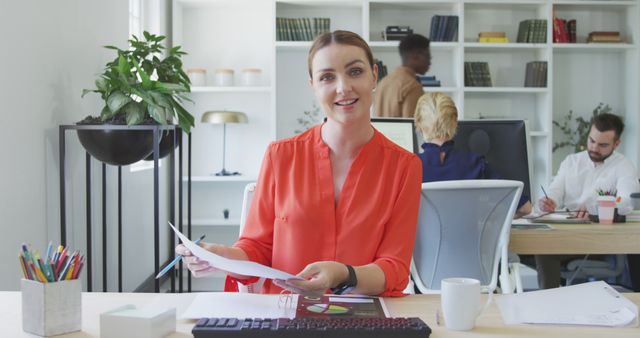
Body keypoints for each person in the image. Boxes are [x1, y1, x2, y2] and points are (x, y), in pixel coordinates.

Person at [176, 30, 422, 296]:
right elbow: (258, 249)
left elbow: (394, 268)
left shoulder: (404, 166)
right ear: (313, 85)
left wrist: (344, 274)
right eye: (327, 77)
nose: (343, 87)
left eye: (355, 72)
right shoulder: (280, 156)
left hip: (361, 316)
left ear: (374, 75)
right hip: (285, 314)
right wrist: (224, 257)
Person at [535, 112, 640, 289]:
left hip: (598, 239)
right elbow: (555, 191)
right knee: (531, 244)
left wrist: (595, 208)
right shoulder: (571, 162)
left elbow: (627, 203)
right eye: (591, 141)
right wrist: (548, 201)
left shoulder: (624, 166)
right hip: (565, 233)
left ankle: (549, 306)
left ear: (617, 144)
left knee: (545, 249)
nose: (594, 148)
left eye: (603, 145)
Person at [414, 92, 532, 217]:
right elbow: (526, 208)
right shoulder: (475, 164)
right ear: (454, 124)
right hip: (469, 236)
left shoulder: (409, 167)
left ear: (420, 126)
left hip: (425, 237)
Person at [373, 34, 431, 118]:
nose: (429, 62)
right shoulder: (412, 87)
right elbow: (412, 127)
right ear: (416, 55)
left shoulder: (382, 83)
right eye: (428, 56)